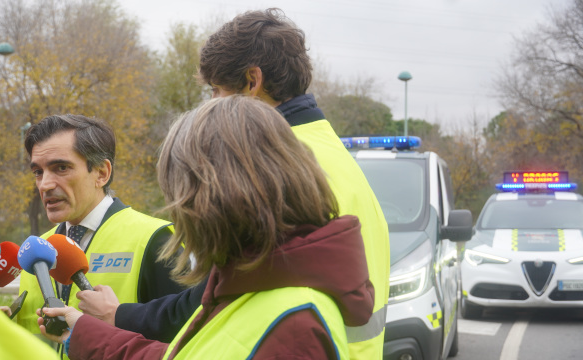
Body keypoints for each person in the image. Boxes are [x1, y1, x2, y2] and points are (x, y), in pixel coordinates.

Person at [79, 8, 390, 359]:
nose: (211, 106)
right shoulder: (330, 155)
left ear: (252, 81)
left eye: (216, 91)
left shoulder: (276, 168)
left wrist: (118, 315)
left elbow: (216, 298)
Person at [39, 95, 373, 360]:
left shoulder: (295, 329)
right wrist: (82, 334)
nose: (178, 211)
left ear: (216, 199)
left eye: (180, 194)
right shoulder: (251, 283)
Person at [17, 114, 186, 357]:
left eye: (61, 168)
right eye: (38, 172)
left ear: (102, 173)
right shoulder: (32, 252)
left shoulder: (154, 239)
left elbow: (188, 343)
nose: (45, 184)